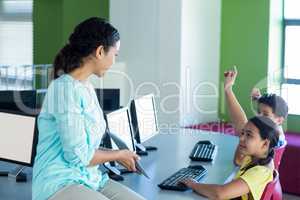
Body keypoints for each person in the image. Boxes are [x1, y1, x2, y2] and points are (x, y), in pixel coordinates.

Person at [32, 17, 145, 200]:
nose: (114, 61)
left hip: (90, 178)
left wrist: (118, 155)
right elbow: (77, 156)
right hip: (59, 182)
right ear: (100, 51)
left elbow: (85, 148)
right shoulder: (64, 89)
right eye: (114, 55)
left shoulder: (86, 87)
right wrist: (117, 154)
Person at [181, 116, 279, 200]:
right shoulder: (253, 158)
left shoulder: (260, 172)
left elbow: (220, 193)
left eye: (249, 135)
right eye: (242, 133)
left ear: (265, 143)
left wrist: (194, 185)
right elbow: (237, 161)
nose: (241, 138)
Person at [224, 66, 288, 165]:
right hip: (265, 178)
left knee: (245, 127)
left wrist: (243, 135)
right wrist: (259, 98)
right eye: (258, 112)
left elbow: (238, 161)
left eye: (265, 114)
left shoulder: (268, 139)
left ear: (279, 120)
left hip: (256, 179)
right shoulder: (276, 131)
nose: (259, 116)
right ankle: (228, 90)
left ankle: (228, 90)